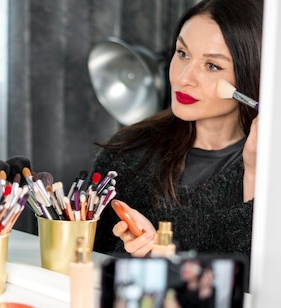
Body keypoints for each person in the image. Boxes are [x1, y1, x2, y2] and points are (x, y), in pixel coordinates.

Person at [91, 0, 262, 261]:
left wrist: (254, 174)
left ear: (250, 76)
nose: (183, 78)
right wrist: (139, 257)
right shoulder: (128, 152)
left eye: (212, 66)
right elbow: (86, 265)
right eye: (182, 53)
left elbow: (260, 287)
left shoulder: (276, 172)